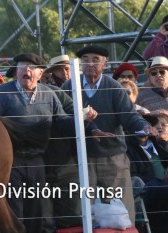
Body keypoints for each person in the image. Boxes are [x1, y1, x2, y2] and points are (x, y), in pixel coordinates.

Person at [0, 52, 77, 233]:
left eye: (30, 67)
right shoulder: (2, 93)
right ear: (16, 71)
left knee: (37, 215)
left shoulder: (49, 94)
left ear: (40, 73)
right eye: (21, 66)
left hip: (37, 161)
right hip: (10, 162)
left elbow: (62, 122)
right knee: (13, 214)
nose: (25, 70)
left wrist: (83, 121)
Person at [61, 44, 156, 221]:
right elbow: (62, 118)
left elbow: (129, 116)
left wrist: (144, 127)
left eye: (95, 60)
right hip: (80, 157)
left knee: (120, 212)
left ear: (105, 64)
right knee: (82, 212)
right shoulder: (69, 87)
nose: (90, 64)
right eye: (85, 60)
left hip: (113, 156)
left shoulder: (114, 87)